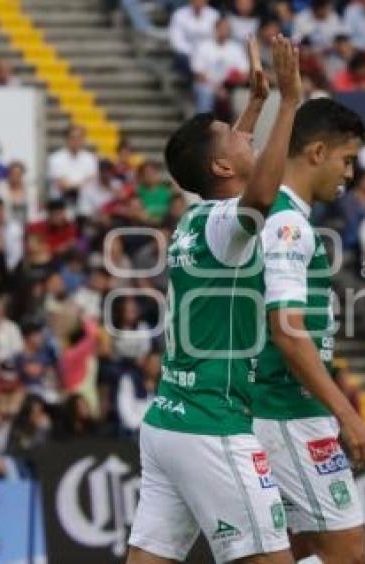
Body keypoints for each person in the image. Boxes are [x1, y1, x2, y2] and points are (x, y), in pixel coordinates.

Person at [126, 35, 300, 564]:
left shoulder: (195, 218)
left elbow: (225, 166)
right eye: (237, 137)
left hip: (167, 425)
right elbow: (261, 194)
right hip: (214, 426)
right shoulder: (228, 223)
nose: (247, 139)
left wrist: (252, 104)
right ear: (223, 170)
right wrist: (288, 102)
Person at [252, 97, 365, 564]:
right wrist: (348, 415)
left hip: (284, 408)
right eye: (347, 160)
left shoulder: (276, 212)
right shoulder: (287, 222)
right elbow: (287, 332)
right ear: (316, 152)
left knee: (298, 550)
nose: (349, 174)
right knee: (348, 554)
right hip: (289, 410)